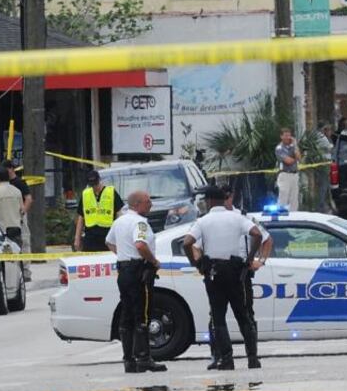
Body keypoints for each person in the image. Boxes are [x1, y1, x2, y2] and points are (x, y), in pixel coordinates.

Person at [182, 186, 263, 371]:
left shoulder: (203, 221)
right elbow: (257, 234)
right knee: (243, 316)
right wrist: (250, 258)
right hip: (235, 272)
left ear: (210, 201)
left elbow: (187, 242)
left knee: (218, 318)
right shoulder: (237, 217)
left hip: (214, 273)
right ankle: (252, 358)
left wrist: (196, 262)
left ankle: (226, 359)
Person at [105, 190, 166, 373]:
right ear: (137, 204)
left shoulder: (119, 221)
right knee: (143, 315)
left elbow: (109, 242)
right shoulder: (140, 222)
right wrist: (153, 261)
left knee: (127, 314)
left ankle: (129, 360)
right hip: (139, 271)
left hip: (124, 271)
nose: (150, 205)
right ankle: (144, 358)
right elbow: (140, 245)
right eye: (148, 202)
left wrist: (124, 256)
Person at [74, 170, 124, 252]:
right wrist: (77, 238)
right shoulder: (86, 194)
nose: (94, 187)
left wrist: (120, 235)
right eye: (92, 185)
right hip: (90, 236)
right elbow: (81, 217)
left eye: (96, 183)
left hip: (107, 236)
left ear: (99, 180)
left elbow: (119, 214)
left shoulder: (111, 192)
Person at [2, 161, 32, 281]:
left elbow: (28, 199)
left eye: (5, 169)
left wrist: (23, 212)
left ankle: (26, 273)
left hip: (19, 217)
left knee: (24, 242)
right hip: (8, 217)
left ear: (11, 169)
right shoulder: (5, 184)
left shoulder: (20, 182)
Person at [0, 167, 24, 246]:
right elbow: (22, 210)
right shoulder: (17, 191)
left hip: (1, 230)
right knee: (16, 254)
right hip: (16, 230)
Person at [275, 127, 301, 211]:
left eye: (289, 135)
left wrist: (295, 145)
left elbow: (299, 157)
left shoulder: (293, 146)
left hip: (294, 174)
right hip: (285, 175)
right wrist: (295, 158)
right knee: (283, 197)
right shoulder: (279, 148)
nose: (287, 137)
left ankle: (293, 217)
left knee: (294, 199)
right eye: (285, 135)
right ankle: (281, 217)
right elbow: (288, 161)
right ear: (281, 136)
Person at [315, 125, 336, 215]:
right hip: (323, 166)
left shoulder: (326, 138)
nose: (330, 132)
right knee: (323, 186)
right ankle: (321, 205)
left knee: (327, 187)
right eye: (329, 130)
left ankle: (327, 204)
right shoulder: (322, 139)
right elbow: (329, 149)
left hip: (327, 164)